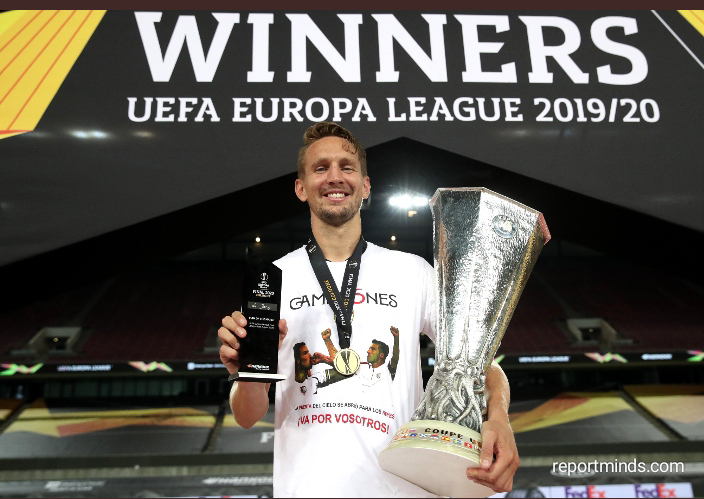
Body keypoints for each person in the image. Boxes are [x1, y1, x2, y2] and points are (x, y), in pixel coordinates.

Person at [219, 122, 519, 497]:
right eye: (320, 168)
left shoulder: (412, 272)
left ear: (365, 186)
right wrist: (247, 371)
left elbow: (479, 363)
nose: (334, 177)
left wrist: (500, 419)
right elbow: (247, 416)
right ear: (301, 188)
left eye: (346, 167)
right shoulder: (273, 279)